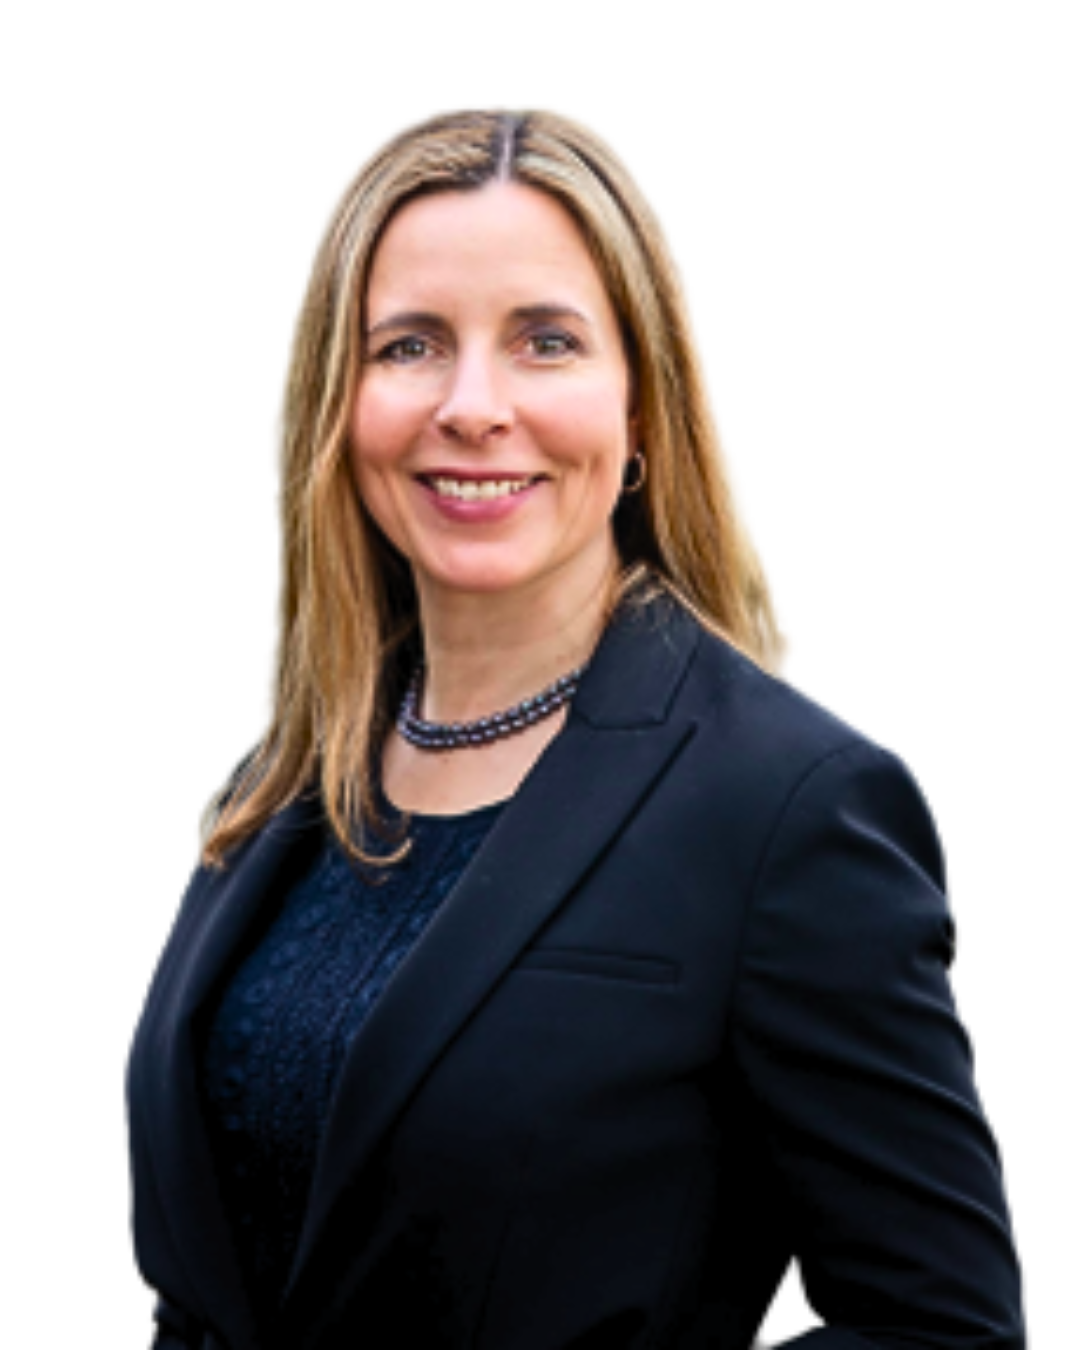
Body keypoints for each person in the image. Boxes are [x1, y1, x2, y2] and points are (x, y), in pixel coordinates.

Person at [124, 103, 1026, 1350]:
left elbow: (935, 1326)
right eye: (410, 346)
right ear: (338, 400)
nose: (473, 406)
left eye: (545, 342)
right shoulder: (284, 786)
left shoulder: (786, 807)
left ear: (644, 407)